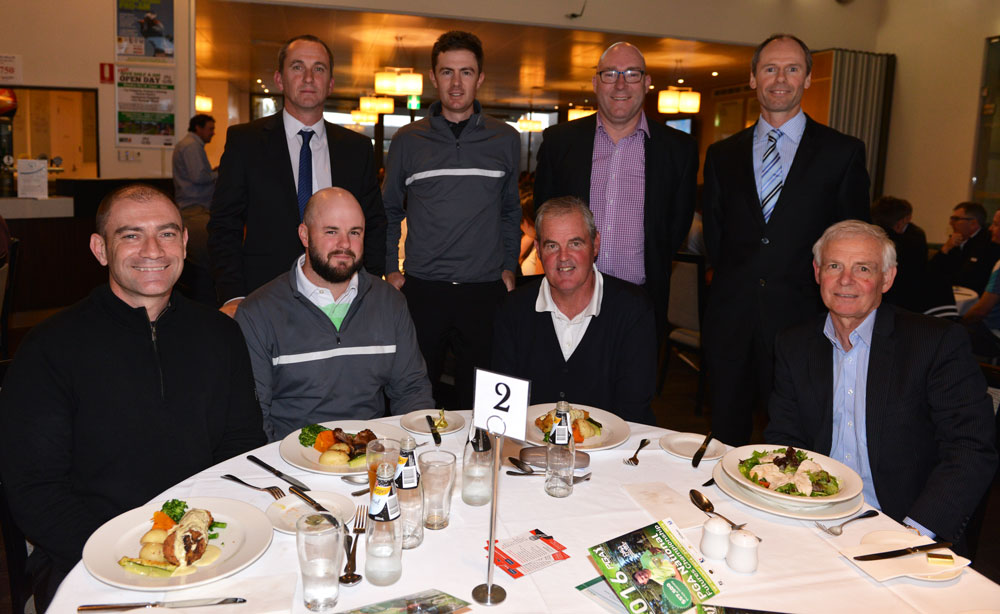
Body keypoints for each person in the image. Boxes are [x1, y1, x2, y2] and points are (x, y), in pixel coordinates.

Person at [0, 184, 265, 609]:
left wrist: (211, 534)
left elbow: (241, 445)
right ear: (100, 249)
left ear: (184, 243)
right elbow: (35, 489)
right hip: (88, 558)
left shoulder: (221, 334)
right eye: (131, 235)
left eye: (166, 233)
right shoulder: (50, 348)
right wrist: (125, 555)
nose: (152, 250)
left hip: (209, 546)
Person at [766, 220, 997, 545]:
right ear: (818, 273)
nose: (846, 280)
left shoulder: (934, 343)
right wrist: (790, 500)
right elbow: (785, 435)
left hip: (902, 522)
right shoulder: (794, 343)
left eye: (863, 268)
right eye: (834, 266)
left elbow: (971, 446)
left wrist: (913, 532)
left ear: (887, 278)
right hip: (814, 514)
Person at [702, 33, 871, 446]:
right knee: (725, 441)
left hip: (805, 323)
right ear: (753, 78)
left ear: (808, 78)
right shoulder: (722, 155)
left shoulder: (842, 153)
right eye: (770, 69)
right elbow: (716, 239)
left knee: (798, 444)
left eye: (792, 69)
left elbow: (853, 242)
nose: (781, 79)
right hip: (731, 324)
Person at [382, 30, 520, 408]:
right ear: (433, 77)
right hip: (424, 289)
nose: (456, 83)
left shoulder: (505, 138)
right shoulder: (408, 140)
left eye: (466, 72)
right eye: (447, 72)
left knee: (483, 401)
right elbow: (389, 209)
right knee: (415, 394)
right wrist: (390, 270)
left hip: (484, 290)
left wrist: (509, 267)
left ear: (480, 78)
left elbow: (511, 210)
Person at [235, 187, 434, 441]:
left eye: (355, 232)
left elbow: (412, 391)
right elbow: (254, 418)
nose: (345, 244)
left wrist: (418, 448)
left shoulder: (389, 302)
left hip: (371, 454)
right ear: (304, 235)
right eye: (331, 232)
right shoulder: (258, 312)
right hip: (289, 456)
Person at [209, 34, 385, 316]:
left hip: (341, 296)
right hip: (264, 295)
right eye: (297, 67)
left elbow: (374, 223)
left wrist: (370, 287)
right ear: (279, 79)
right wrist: (233, 295)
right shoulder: (246, 142)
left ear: (330, 84)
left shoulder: (357, 149)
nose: (308, 78)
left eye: (319, 68)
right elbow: (224, 225)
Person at [533, 42, 698, 340]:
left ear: (647, 82)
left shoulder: (678, 150)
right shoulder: (559, 142)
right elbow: (544, 218)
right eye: (610, 74)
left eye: (632, 74)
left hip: (641, 303)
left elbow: (675, 228)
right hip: (568, 302)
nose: (620, 84)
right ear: (595, 82)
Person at [492, 196, 657, 425]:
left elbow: (633, 409)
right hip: (530, 443)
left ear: (595, 244)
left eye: (575, 243)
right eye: (552, 246)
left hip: (615, 442)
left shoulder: (633, 309)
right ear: (538, 249)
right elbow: (502, 409)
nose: (563, 257)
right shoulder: (512, 310)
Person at [173, 113, 217, 304]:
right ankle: (205, 306)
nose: (213, 133)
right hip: (194, 211)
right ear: (198, 128)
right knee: (205, 265)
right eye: (210, 129)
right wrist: (219, 173)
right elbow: (199, 177)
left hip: (194, 209)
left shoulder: (189, 144)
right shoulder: (191, 146)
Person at [928, 201, 1000, 294]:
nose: (951, 223)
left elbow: (972, 278)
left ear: (973, 223)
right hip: (949, 293)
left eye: (956, 219)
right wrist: (946, 248)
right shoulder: (954, 241)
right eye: (952, 218)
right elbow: (931, 271)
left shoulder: (991, 242)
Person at [962, 209, 1000, 358]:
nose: (990, 228)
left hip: (994, 335)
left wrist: (959, 322)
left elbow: (981, 311)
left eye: (996, 224)